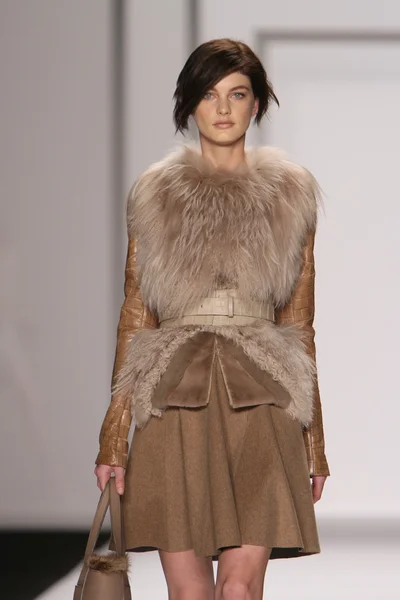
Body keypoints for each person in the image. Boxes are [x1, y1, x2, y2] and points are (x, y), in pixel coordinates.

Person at [94, 38, 330, 600]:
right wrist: (113, 437)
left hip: (264, 400)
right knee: (190, 595)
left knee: (240, 590)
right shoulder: (154, 195)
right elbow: (136, 316)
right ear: (188, 105)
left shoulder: (291, 195)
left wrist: (315, 440)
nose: (222, 109)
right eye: (208, 94)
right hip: (173, 399)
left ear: (257, 105)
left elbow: (301, 325)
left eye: (237, 94)